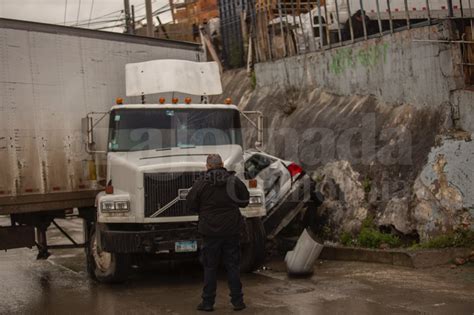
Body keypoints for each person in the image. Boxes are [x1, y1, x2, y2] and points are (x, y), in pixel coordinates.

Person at [186, 154, 250, 312]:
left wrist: (205, 211)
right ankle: (238, 302)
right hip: (231, 230)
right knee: (233, 266)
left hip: (210, 231)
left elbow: (190, 204)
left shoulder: (201, 183)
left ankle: (207, 303)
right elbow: (245, 200)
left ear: (207, 166)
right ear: (222, 164)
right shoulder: (233, 181)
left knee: (210, 267)